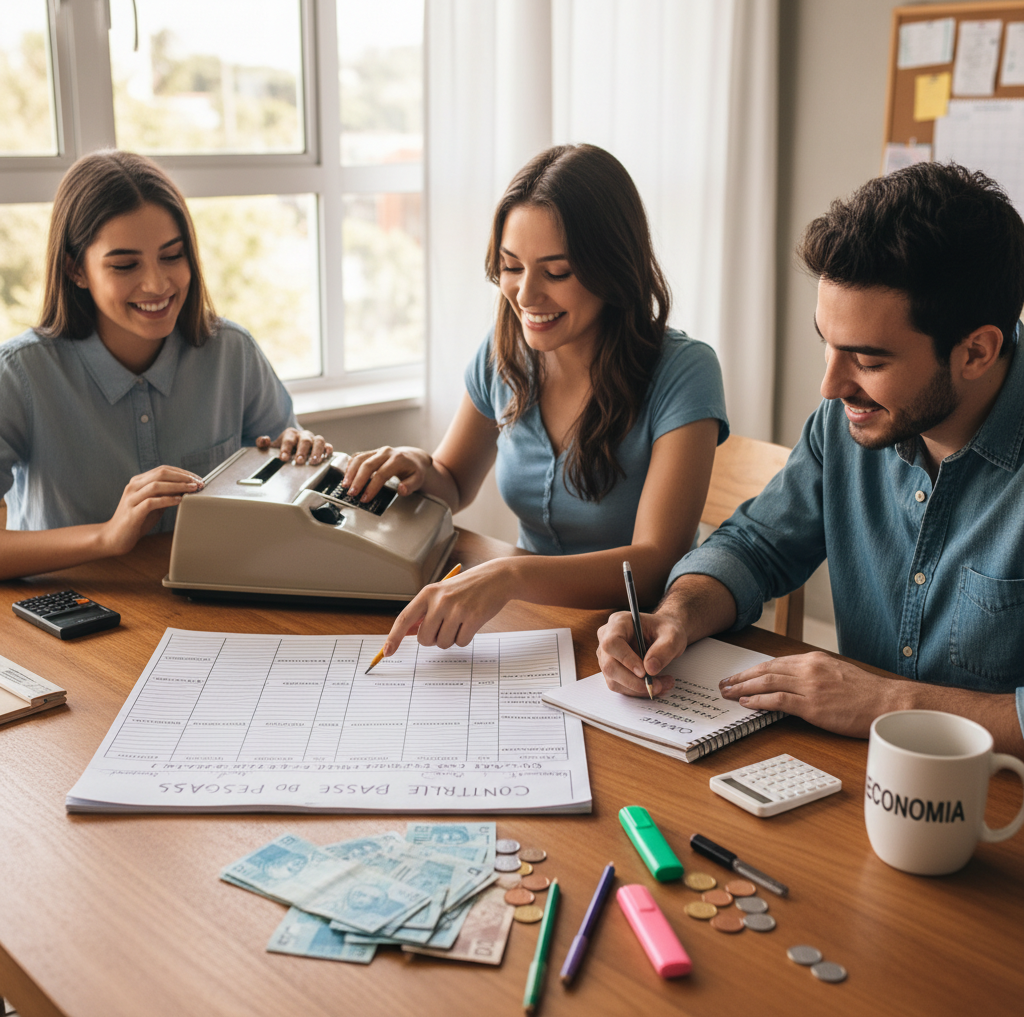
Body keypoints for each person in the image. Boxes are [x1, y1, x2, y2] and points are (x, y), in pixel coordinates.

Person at [597, 162, 1024, 758]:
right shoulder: (850, 418)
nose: (830, 386)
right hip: (857, 779)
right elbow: (755, 546)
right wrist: (678, 616)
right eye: (826, 343)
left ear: (976, 351)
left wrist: (884, 702)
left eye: (868, 361)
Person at [343, 144, 729, 654]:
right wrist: (418, 466)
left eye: (557, 272)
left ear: (612, 267)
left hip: (647, 639)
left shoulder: (684, 371)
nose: (526, 295)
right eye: (511, 267)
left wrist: (509, 576)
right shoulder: (503, 351)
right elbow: (454, 481)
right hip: (538, 627)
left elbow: (656, 563)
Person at [0, 149, 331, 581]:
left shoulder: (232, 352)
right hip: (75, 622)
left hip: (214, 600)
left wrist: (300, 456)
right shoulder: (19, 376)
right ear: (75, 269)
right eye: (125, 264)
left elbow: (285, 486)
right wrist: (106, 536)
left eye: (172, 256)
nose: (157, 284)